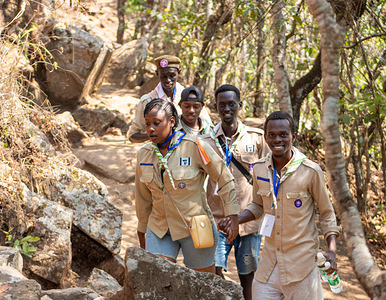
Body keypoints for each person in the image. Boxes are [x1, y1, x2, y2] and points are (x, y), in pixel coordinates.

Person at [221, 111, 340, 299]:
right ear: (266, 137)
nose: (277, 140)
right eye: (272, 135)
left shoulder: (310, 171)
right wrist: (235, 219)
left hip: (302, 267)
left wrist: (332, 251)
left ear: (293, 136)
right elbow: (258, 206)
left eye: (283, 134)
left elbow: (327, 213)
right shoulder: (260, 168)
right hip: (269, 264)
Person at [134, 98, 239, 273]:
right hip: (160, 228)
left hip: (196, 228)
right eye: (147, 124)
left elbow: (224, 177)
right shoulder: (144, 154)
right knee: (158, 277)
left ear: (172, 121)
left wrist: (233, 216)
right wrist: (141, 229)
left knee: (203, 284)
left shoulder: (194, 146)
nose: (151, 129)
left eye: (157, 123)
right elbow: (142, 196)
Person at [203, 84, 269, 300]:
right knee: (214, 271)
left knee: (248, 275)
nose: (227, 109)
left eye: (232, 104)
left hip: (249, 222)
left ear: (240, 105)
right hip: (219, 221)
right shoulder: (206, 141)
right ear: (216, 106)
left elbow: (271, 174)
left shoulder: (257, 139)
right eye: (222, 105)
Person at [127, 55, 212, 143]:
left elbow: (209, 128)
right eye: (164, 76)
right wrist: (157, 135)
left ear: (179, 73)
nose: (168, 80)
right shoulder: (147, 101)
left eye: (172, 75)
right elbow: (133, 136)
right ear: (157, 74)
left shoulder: (190, 98)